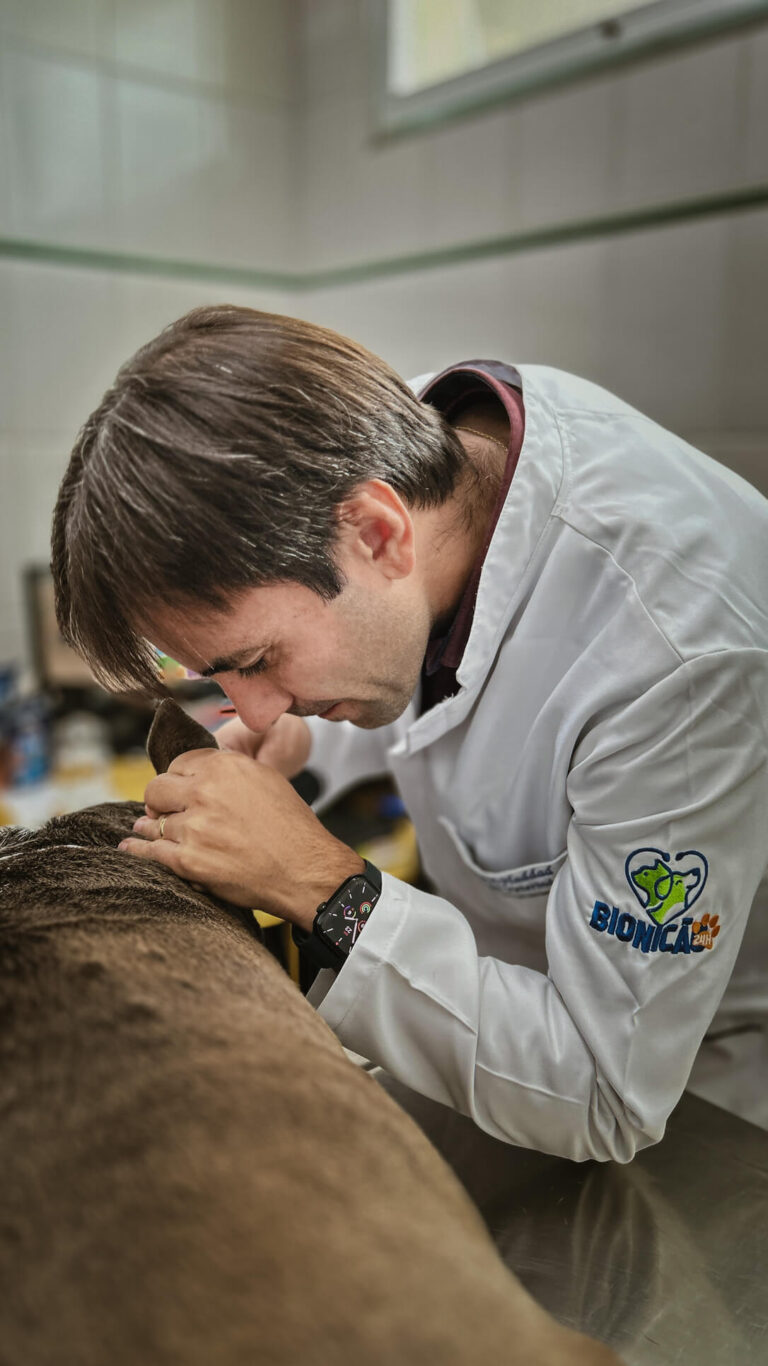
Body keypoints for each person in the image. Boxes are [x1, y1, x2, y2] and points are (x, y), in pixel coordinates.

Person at [51, 305, 768, 1160]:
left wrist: (321, 884)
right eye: (222, 675)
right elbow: (415, 651)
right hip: (499, 1027)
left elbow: (606, 1094)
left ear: (379, 532)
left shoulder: (674, 658)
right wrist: (310, 743)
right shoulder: (409, 458)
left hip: (705, 1090)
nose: (253, 710)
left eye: (260, 658)